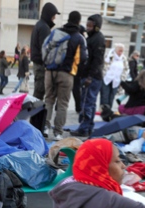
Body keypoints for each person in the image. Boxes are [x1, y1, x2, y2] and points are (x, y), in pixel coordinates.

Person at [43, 11, 87, 141]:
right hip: (66, 73)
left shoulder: (56, 32)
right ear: (78, 21)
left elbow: (45, 48)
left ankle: (45, 127)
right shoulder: (79, 37)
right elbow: (83, 58)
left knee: (48, 100)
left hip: (50, 72)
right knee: (63, 103)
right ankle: (58, 132)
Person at [70, 14, 106, 138]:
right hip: (91, 76)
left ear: (96, 26)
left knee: (87, 102)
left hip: (93, 77)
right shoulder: (92, 38)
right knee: (90, 102)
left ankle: (84, 128)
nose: (88, 28)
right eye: (87, 25)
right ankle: (88, 127)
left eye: (90, 25)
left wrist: (90, 77)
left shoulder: (98, 39)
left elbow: (97, 60)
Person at [29, 2, 59, 135]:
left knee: (38, 93)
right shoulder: (44, 27)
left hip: (37, 63)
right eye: (53, 15)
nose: (54, 18)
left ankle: (35, 123)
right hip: (41, 65)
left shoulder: (39, 25)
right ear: (48, 14)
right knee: (40, 94)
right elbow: (46, 49)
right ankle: (36, 124)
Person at [100, 43, 128, 111]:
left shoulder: (124, 58)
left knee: (112, 97)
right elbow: (103, 66)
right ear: (116, 50)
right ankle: (103, 111)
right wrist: (103, 75)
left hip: (116, 81)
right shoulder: (109, 56)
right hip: (107, 79)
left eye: (122, 51)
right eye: (119, 51)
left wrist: (122, 79)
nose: (120, 52)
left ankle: (109, 111)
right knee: (105, 96)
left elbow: (126, 69)